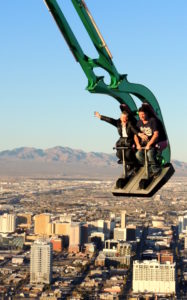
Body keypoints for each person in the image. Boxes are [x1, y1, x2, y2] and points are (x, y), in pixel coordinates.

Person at [134, 106, 162, 177]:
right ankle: (149, 167)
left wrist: (149, 144)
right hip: (143, 145)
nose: (141, 116)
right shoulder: (139, 122)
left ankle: (156, 169)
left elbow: (156, 134)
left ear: (146, 114)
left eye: (143, 114)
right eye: (140, 115)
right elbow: (135, 135)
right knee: (138, 155)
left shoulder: (152, 121)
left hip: (153, 144)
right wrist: (138, 144)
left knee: (150, 154)